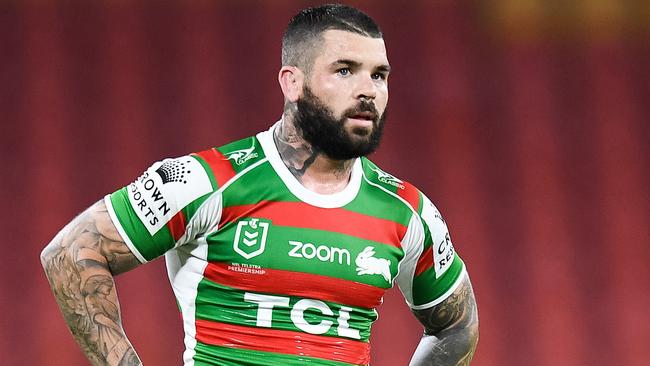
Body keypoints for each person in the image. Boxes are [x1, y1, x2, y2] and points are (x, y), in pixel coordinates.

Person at [41, 4, 478, 365]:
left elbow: (456, 326)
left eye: (378, 75)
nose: (368, 90)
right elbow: (70, 254)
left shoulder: (407, 211)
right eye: (345, 71)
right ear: (292, 82)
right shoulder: (207, 180)